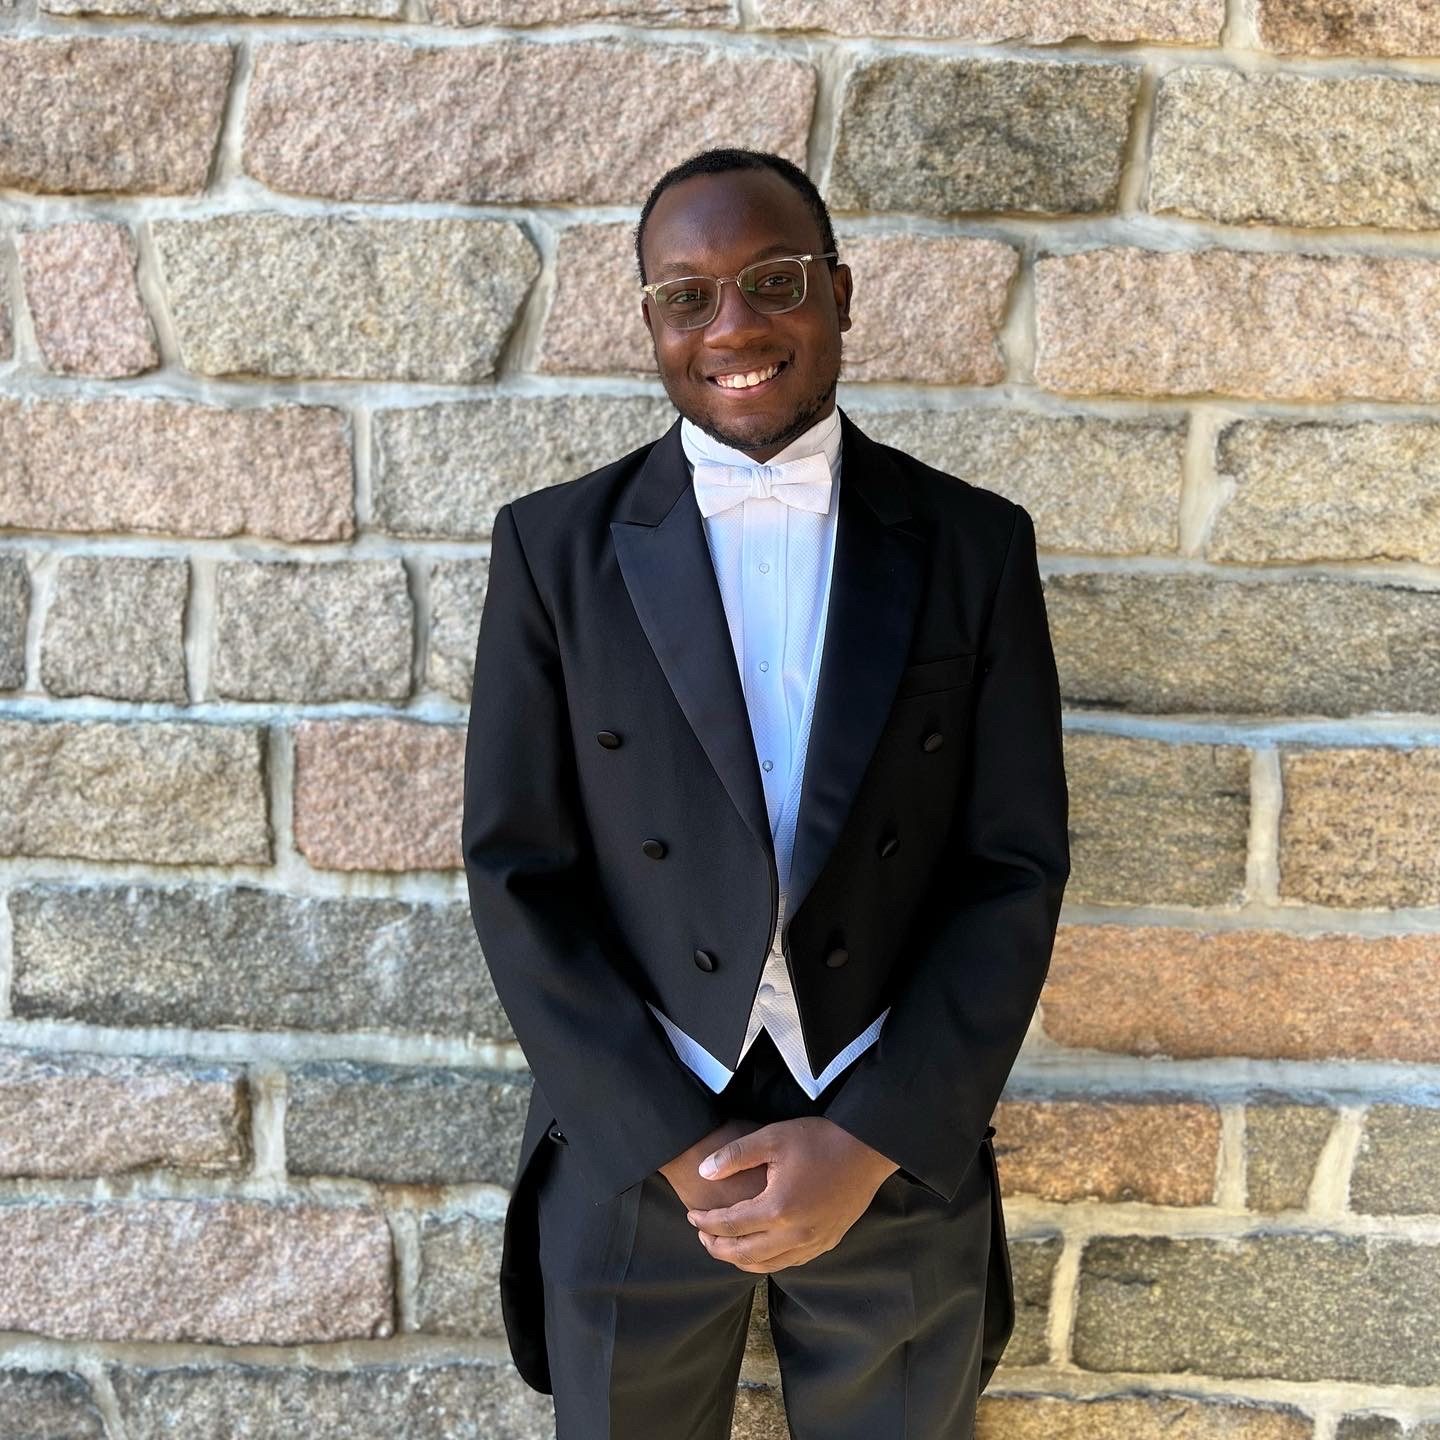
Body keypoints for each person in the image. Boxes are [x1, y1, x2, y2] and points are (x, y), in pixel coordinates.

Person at [461, 146, 1070, 1439]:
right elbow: (518, 874)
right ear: (650, 323)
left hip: (891, 1128)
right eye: (687, 295)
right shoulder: (554, 549)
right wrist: (667, 1137)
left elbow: (1010, 867)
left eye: (773, 281)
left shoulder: (974, 545)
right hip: (638, 1143)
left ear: (841, 294)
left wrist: (871, 1138)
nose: (732, 325)